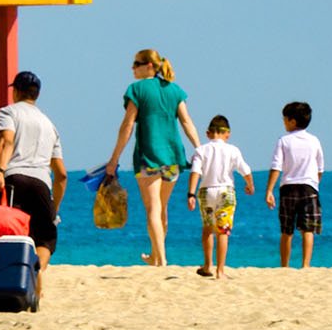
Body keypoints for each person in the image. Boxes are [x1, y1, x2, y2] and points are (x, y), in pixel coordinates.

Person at [98, 48, 203, 266]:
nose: (132, 68)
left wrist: (114, 158)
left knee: (153, 209)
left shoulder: (136, 89)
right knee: (161, 209)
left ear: (149, 66)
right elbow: (186, 122)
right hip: (173, 157)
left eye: (136, 64)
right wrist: (200, 148)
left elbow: (127, 125)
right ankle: (156, 255)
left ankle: (161, 259)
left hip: (148, 156)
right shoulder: (174, 90)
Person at [0, 70, 67, 296]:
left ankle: (9, 279)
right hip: (42, 182)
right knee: (46, 236)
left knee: (10, 232)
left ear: (16, 91)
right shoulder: (49, 125)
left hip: (14, 177)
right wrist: (55, 208)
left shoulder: (8, 112)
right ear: (37, 94)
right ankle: (38, 269)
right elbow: (61, 174)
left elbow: (7, 141)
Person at [184, 115, 254, 278]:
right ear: (227, 134)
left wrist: (191, 193)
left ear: (208, 133)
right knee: (223, 231)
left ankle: (208, 265)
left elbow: (195, 172)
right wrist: (250, 184)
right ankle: (220, 270)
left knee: (208, 229)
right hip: (225, 191)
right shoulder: (232, 150)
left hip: (206, 191)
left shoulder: (201, 150)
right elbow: (245, 170)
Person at [264, 100, 325, 268]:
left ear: (292, 121)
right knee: (308, 229)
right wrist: (314, 182)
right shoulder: (314, 141)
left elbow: (276, 167)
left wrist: (269, 190)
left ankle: (285, 265)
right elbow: (320, 168)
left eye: (285, 119)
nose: (283, 122)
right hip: (309, 186)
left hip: (288, 187)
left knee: (286, 230)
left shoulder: (284, 141)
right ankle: (306, 265)